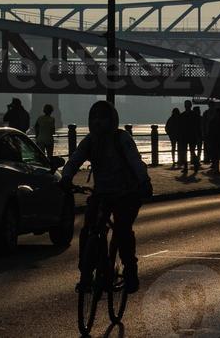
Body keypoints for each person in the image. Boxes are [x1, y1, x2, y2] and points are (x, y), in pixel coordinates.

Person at [61, 100, 152, 294]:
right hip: (102, 192)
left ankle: (130, 270)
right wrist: (66, 177)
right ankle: (86, 273)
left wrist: (144, 183)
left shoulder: (122, 139)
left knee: (122, 230)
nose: (98, 123)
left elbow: (135, 163)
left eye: (102, 118)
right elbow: (75, 159)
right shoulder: (90, 141)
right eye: (94, 118)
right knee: (88, 229)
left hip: (127, 192)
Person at [206, 106, 220, 176]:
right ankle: (218, 169)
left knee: (218, 155)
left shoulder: (212, 121)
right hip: (216, 140)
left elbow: (209, 132)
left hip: (217, 140)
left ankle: (218, 169)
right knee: (217, 155)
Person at [177, 100, 195, 176]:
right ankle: (194, 164)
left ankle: (186, 167)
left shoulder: (182, 115)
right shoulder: (194, 115)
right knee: (191, 151)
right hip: (191, 136)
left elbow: (180, 127)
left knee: (186, 152)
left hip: (186, 136)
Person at [190, 106, 202, 170]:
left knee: (193, 149)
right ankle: (197, 160)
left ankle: (195, 160)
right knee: (197, 149)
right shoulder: (200, 118)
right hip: (197, 136)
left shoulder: (192, 118)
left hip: (195, 136)